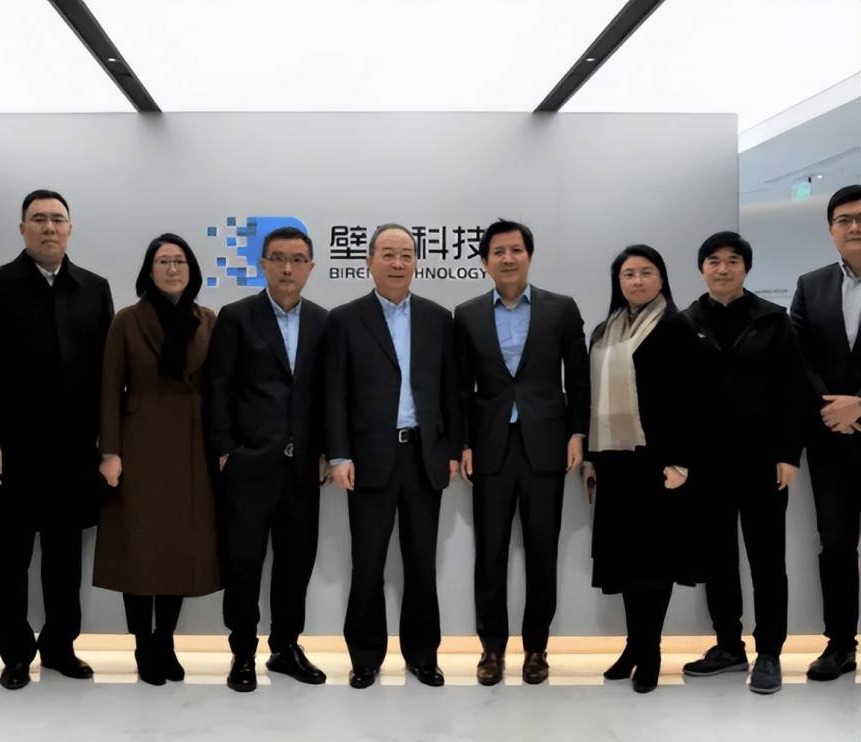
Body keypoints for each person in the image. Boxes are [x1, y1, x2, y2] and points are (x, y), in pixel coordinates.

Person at [0, 189, 114, 690]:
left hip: (73, 451)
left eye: (58, 219)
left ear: (70, 229)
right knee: (10, 560)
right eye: (38, 219)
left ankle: (59, 648)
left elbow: (106, 374)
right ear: (22, 228)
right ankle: (14, 654)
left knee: (64, 559)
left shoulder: (94, 288)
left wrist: (106, 441)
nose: (49, 227)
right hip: (11, 450)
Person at [454, 219, 588, 686]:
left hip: (547, 446)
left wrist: (578, 433)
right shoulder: (467, 314)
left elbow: (579, 378)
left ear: (529, 256)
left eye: (516, 250)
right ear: (485, 261)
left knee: (542, 551)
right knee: (489, 553)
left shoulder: (561, 309)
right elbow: (460, 388)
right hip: (489, 447)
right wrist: (464, 442)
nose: (508, 258)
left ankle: (536, 649)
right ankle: (491, 649)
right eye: (498, 251)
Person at [325, 223, 460, 689]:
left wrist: (452, 448)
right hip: (368, 458)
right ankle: (365, 656)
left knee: (421, 562)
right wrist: (338, 454)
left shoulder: (438, 318)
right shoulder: (345, 319)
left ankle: (423, 654)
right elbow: (335, 393)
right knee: (368, 563)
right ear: (369, 261)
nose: (398, 263)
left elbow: (451, 390)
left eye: (406, 255)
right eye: (388, 254)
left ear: (416, 262)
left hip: (424, 457)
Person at [681, 231, 807, 694]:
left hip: (762, 461)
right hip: (706, 463)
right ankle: (729, 646)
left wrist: (789, 454)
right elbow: (675, 397)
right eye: (713, 260)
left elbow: (794, 391)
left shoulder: (772, 319)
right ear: (702, 269)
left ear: (746, 268)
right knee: (717, 559)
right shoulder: (685, 322)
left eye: (733, 260)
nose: (723, 268)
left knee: (767, 560)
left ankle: (770, 651)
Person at [205, 226, 329, 692]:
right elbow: (218, 388)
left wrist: (326, 450)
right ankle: (242, 652)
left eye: (297, 260)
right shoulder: (237, 317)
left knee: (296, 563)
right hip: (248, 466)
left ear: (310, 267)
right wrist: (225, 451)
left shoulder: (323, 321)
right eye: (278, 258)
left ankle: (285, 648)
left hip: (303, 469)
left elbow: (329, 394)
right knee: (244, 564)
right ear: (262, 265)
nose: (287, 268)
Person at [95, 233, 221, 686]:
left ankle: (165, 640)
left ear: (192, 270)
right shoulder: (128, 320)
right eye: (163, 261)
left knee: (178, 549)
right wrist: (110, 451)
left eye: (180, 261)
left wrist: (222, 447)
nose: (172, 269)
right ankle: (142, 644)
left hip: (192, 447)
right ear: (149, 271)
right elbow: (109, 387)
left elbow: (218, 388)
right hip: (139, 443)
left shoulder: (207, 320)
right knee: (138, 549)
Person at [583, 244, 698, 693]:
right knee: (626, 562)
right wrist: (591, 458)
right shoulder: (605, 330)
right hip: (615, 461)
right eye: (628, 274)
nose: (637, 281)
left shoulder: (677, 326)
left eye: (646, 272)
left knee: (654, 563)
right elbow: (591, 397)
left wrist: (681, 460)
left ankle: (651, 652)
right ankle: (634, 645)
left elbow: (692, 399)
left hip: (658, 462)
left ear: (661, 277)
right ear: (618, 282)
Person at [790, 184, 861, 681]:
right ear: (831, 230)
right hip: (830, 440)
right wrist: (832, 407)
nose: (854, 227)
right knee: (835, 544)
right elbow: (796, 358)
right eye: (844, 220)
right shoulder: (810, 284)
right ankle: (840, 644)